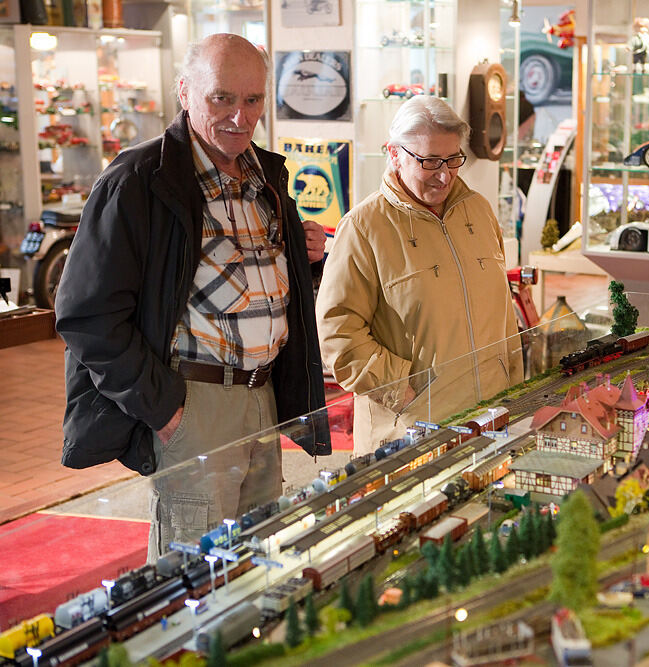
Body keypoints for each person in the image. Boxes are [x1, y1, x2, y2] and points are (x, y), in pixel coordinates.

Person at [55, 34, 330, 560]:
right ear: (184, 92)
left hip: (262, 396)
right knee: (194, 576)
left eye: (253, 100)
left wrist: (302, 256)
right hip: (193, 403)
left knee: (257, 560)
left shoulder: (265, 176)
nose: (240, 116)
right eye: (221, 98)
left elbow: (263, 293)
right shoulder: (138, 180)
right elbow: (87, 316)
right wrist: (163, 409)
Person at [316, 96, 523, 453]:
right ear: (394, 153)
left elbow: (502, 312)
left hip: (490, 417)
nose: (444, 175)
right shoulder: (364, 227)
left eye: (453, 159)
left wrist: (514, 391)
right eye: (429, 161)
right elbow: (338, 333)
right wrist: (404, 390)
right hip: (412, 430)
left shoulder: (479, 210)